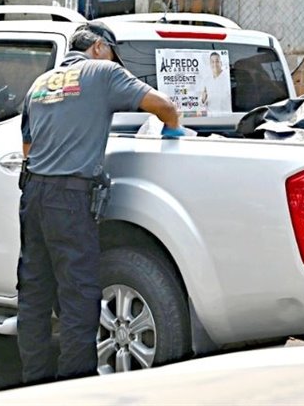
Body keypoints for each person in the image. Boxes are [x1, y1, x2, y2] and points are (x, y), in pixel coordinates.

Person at [17, 22, 183, 384]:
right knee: (78, 299)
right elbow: (164, 107)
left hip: (33, 195)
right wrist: (174, 131)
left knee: (34, 295)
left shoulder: (40, 83)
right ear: (97, 47)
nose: (116, 62)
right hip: (70, 200)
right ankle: (74, 391)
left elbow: (28, 150)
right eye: (113, 53)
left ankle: (34, 387)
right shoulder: (102, 72)